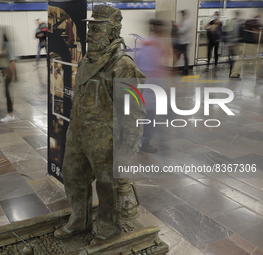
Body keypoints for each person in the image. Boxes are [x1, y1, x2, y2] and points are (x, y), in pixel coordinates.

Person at [53, 5, 146, 241]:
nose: (90, 33)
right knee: (73, 177)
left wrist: (127, 147)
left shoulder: (123, 65)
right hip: (79, 135)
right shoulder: (87, 60)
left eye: (97, 28)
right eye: (89, 28)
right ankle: (79, 221)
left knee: (107, 188)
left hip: (106, 138)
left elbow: (134, 111)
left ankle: (108, 229)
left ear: (112, 33)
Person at [136, 19, 171, 153]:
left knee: (150, 117)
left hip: (150, 89)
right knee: (149, 117)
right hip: (151, 89)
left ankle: (144, 139)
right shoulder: (152, 45)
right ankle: (144, 142)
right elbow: (150, 70)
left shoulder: (151, 43)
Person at [0, 33, 18, 123]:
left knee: (8, 93)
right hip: (9, 73)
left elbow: (12, 61)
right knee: (7, 93)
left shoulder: (6, 45)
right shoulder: (8, 44)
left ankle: (10, 114)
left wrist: (12, 74)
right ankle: (10, 113)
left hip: (9, 73)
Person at [174, 10, 192, 75]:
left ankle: (185, 70)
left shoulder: (188, 22)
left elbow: (183, 30)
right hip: (181, 42)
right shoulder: (182, 22)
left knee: (184, 56)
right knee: (180, 56)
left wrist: (177, 25)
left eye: (182, 15)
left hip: (185, 42)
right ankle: (184, 69)